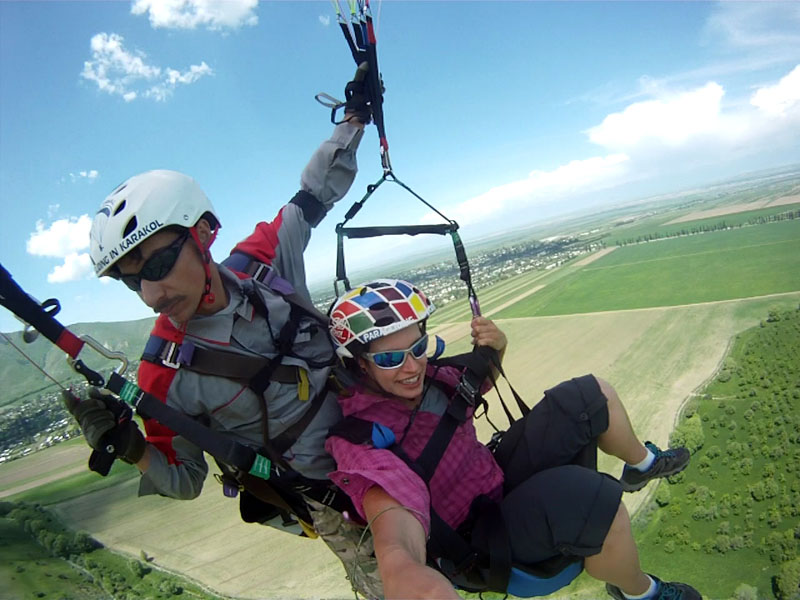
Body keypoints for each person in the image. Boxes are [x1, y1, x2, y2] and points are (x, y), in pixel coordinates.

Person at [63, 71, 369, 526]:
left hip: (378, 422)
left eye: (156, 266)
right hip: (335, 502)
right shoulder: (161, 376)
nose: (150, 296)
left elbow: (311, 196)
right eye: (133, 282)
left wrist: (354, 120)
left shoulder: (258, 264)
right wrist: (132, 448)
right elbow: (184, 478)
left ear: (202, 233)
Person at [324, 279, 701, 600]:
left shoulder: (435, 380)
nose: (411, 367)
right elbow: (394, 532)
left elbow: (480, 374)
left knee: (589, 395)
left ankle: (642, 466)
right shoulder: (364, 441)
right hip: (479, 537)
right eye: (390, 359)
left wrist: (497, 344)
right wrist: (403, 572)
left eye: (418, 348)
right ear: (360, 363)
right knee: (596, 502)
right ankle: (642, 592)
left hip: (496, 479)